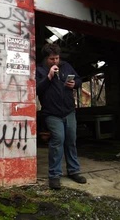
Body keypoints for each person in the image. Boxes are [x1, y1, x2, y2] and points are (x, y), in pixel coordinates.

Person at [36, 43, 87, 190]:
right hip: (51, 113)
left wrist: (74, 83)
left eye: (57, 58)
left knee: (71, 140)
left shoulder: (66, 66)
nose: (55, 61)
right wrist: (49, 76)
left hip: (69, 111)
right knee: (58, 140)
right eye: (52, 59)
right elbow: (37, 89)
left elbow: (78, 79)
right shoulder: (40, 70)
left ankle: (74, 171)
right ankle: (54, 175)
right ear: (46, 59)